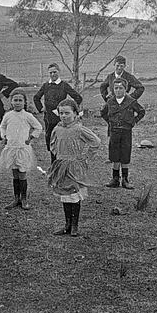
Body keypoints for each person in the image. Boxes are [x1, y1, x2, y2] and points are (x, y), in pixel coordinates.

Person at [48, 99, 101, 237]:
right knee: (65, 195)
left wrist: (86, 157)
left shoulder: (79, 129)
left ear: (75, 113)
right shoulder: (57, 129)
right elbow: (52, 144)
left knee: (73, 194)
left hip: (74, 166)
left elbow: (95, 141)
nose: (63, 116)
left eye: (67, 113)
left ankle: (74, 226)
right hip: (61, 166)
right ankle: (67, 225)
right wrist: (59, 156)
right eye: (61, 113)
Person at [0, 89, 43, 210]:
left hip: (23, 148)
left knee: (22, 173)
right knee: (15, 174)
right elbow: (2, 126)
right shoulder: (8, 115)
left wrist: (31, 137)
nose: (17, 103)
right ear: (11, 102)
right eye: (15, 100)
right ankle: (16, 198)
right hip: (11, 147)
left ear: (24, 102)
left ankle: (24, 199)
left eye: (20, 100)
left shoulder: (27, 116)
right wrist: (4, 136)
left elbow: (38, 127)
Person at [100, 78, 145, 189]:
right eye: (116, 88)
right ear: (113, 89)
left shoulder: (131, 101)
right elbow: (103, 113)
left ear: (126, 89)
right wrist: (110, 122)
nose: (118, 90)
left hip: (126, 131)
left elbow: (141, 111)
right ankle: (115, 179)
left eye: (121, 88)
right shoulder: (110, 102)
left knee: (125, 154)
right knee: (115, 154)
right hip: (114, 131)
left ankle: (125, 179)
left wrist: (133, 121)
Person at [33, 63, 83, 163]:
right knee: (51, 140)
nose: (53, 74)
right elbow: (36, 97)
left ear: (59, 72)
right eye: (50, 73)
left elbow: (78, 98)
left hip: (62, 119)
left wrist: (69, 110)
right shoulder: (46, 85)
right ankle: (54, 164)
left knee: (62, 140)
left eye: (54, 72)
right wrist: (41, 108)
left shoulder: (64, 85)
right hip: (49, 119)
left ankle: (63, 164)